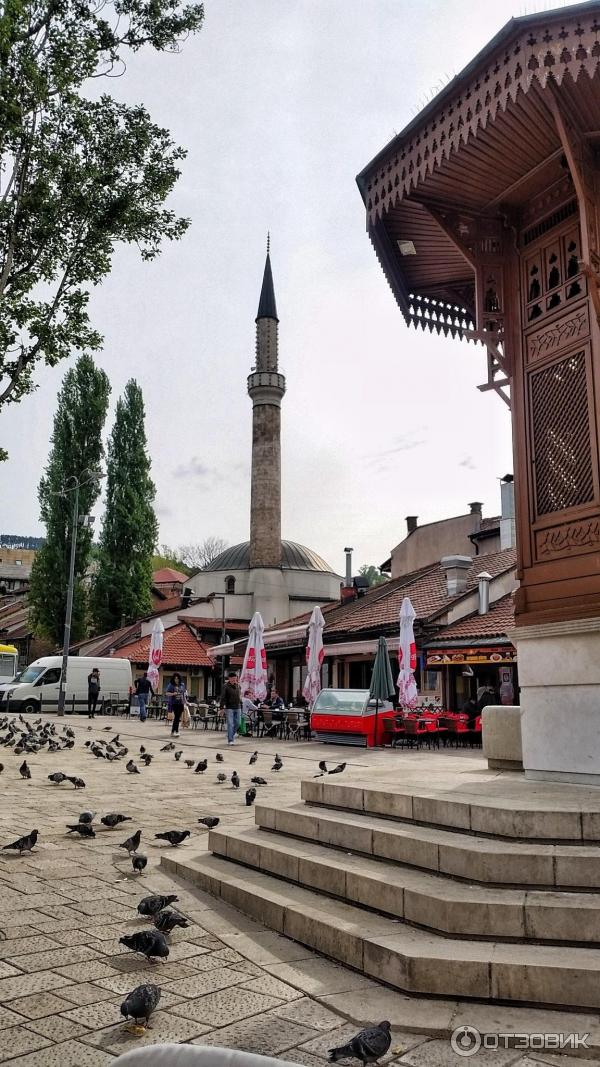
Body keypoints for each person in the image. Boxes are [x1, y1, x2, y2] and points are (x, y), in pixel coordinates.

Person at [220, 671, 242, 745]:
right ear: (229, 678)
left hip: (238, 707)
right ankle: (230, 740)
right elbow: (222, 697)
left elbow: (240, 696)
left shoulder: (238, 686)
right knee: (230, 724)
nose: (234, 680)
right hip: (229, 707)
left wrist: (241, 703)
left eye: (235, 678)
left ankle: (230, 734)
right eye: (232, 678)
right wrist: (222, 708)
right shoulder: (225, 686)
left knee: (238, 723)